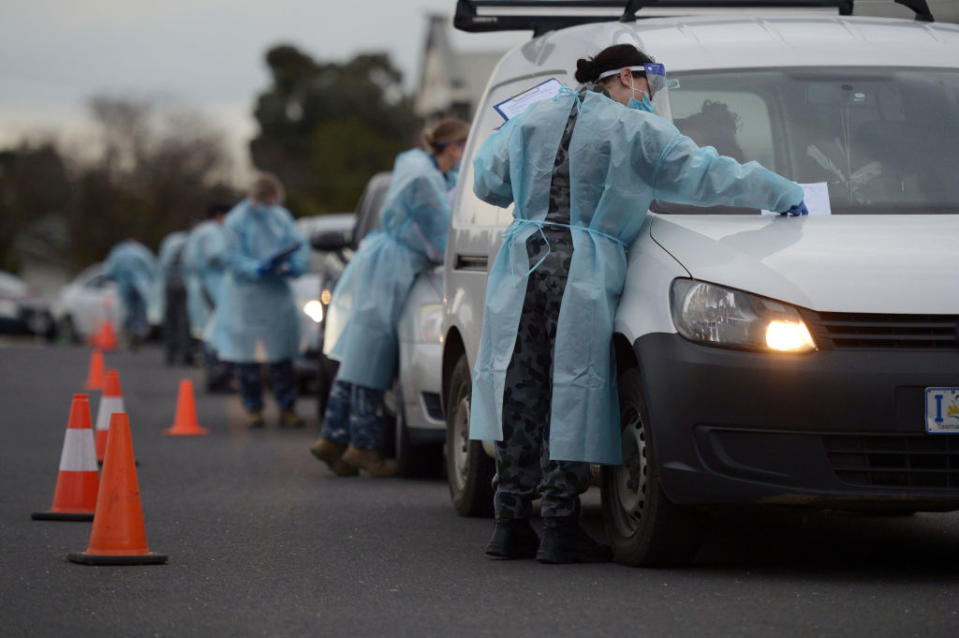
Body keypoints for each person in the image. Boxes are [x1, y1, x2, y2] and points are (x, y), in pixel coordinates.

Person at [469, 44, 808, 564]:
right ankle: (560, 525)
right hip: (579, 271)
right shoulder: (637, 130)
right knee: (575, 388)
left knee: (520, 385)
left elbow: (488, 184)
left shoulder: (533, 116)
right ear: (626, 76)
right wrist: (782, 191)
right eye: (648, 85)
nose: (649, 97)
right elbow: (707, 174)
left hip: (521, 267)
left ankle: (509, 522)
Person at [310, 117, 469, 477]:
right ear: (453, 147)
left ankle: (334, 438)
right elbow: (445, 231)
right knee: (371, 353)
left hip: (383, 262)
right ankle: (362, 447)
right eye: (464, 146)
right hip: (392, 267)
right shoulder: (423, 180)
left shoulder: (424, 169)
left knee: (359, 350)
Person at [207, 175, 309, 428]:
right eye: (266, 201)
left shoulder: (281, 217)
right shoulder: (236, 221)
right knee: (246, 356)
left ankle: (287, 408)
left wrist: (292, 266)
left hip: (276, 293)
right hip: (245, 296)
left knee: (281, 354)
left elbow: (298, 245)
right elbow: (232, 257)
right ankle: (253, 408)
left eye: (273, 201)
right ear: (255, 198)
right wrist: (256, 268)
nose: (269, 205)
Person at [184, 204, 233, 392]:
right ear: (220, 216)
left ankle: (215, 375)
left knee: (209, 329)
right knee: (218, 330)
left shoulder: (200, 231)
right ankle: (218, 377)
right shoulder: (213, 231)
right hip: (213, 285)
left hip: (202, 284)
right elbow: (215, 255)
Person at [104, 238, 158, 347]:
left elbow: (109, 271)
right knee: (140, 311)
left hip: (124, 285)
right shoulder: (142, 251)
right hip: (142, 285)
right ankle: (137, 331)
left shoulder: (118, 252)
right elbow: (152, 268)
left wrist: (114, 278)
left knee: (127, 309)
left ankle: (128, 332)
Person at [155, 230, 193, 365]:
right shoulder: (190, 240)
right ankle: (185, 353)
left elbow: (162, 265)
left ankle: (171, 353)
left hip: (170, 284)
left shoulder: (169, 241)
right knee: (184, 319)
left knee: (171, 318)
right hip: (185, 284)